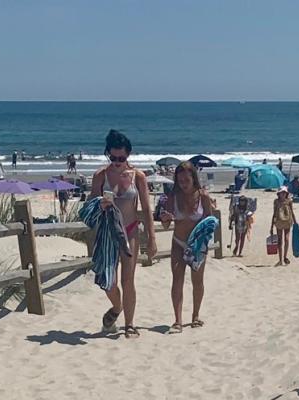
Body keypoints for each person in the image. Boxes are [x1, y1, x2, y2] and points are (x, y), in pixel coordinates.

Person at [91, 128, 155, 337]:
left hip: (130, 231)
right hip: (108, 232)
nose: (117, 161)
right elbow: (90, 206)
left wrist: (152, 239)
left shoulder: (139, 177)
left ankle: (129, 323)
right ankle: (117, 307)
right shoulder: (101, 176)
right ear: (108, 153)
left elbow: (146, 208)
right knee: (108, 281)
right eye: (113, 157)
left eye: (122, 157)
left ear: (128, 155)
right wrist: (100, 204)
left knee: (129, 280)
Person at [160, 161, 218, 332]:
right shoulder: (173, 197)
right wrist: (165, 219)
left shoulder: (203, 197)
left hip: (198, 244)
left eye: (186, 180)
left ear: (193, 178)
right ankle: (177, 320)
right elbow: (165, 225)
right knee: (177, 280)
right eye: (180, 181)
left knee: (197, 281)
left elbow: (210, 222)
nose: (183, 184)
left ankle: (195, 316)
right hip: (178, 242)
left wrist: (203, 243)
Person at [271, 187, 295, 266]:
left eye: (284, 193)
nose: (283, 194)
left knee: (287, 239)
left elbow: (292, 211)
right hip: (279, 222)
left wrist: (295, 222)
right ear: (279, 194)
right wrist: (271, 226)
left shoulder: (289, 201)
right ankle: (280, 259)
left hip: (287, 221)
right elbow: (274, 213)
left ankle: (285, 257)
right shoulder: (276, 202)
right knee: (280, 241)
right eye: (282, 193)